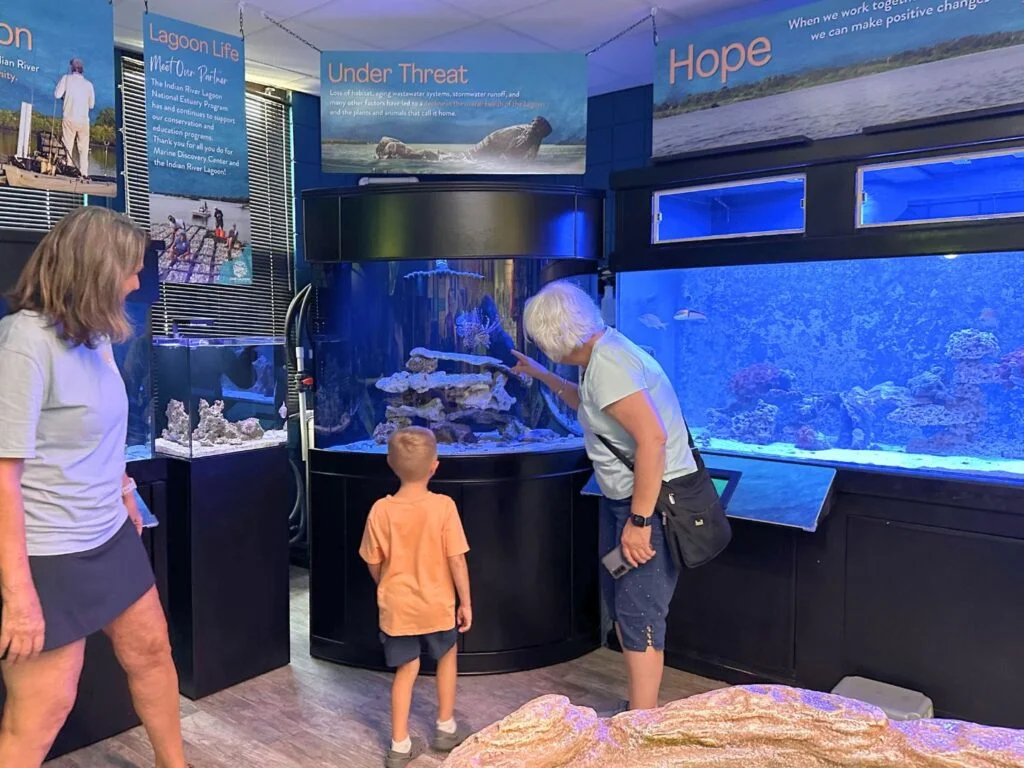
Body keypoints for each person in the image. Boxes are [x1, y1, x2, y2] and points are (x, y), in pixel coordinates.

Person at [0, 207, 189, 768]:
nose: (136, 282)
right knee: (44, 709)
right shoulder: (23, 345)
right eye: (129, 271)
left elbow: (93, 431)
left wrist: (123, 485)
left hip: (108, 532)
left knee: (153, 653)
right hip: (47, 555)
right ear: (95, 271)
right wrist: (19, 600)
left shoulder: (94, 335)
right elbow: (3, 478)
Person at [511, 281, 699, 712]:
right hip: (624, 502)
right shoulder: (599, 354)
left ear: (553, 336)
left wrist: (639, 524)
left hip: (647, 506)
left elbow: (651, 440)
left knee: (639, 610)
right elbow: (592, 406)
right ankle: (640, 712)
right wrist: (541, 376)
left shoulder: (609, 364)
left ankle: (642, 721)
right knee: (623, 594)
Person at [359, 427, 473, 767]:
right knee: (447, 656)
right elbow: (457, 559)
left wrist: (386, 585)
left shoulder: (380, 510)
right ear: (434, 466)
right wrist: (465, 601)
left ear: (390, 465)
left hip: (397, 608)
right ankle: (445, 727)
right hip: (437, 604)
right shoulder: (444, 507)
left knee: (406, 670)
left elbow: (372, 560)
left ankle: (398, 745)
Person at [53, 59, 95, 179]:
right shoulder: (89, 84)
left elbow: (57, 95)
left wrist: (66, 96)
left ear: (72, 68)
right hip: (83, 121)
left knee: (67, 147)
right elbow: (91, 105)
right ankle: (84, 174)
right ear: (82, 70)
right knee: (84, 149)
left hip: (69, 118)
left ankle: (69, 171)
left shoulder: (66, 78)